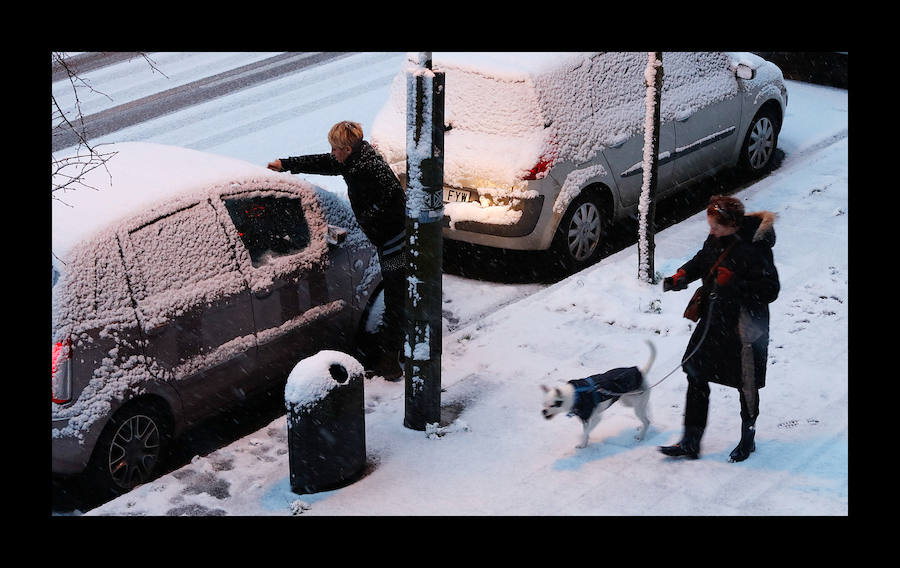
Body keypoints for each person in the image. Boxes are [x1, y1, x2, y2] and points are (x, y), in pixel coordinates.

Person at [268, 121, 406, 381]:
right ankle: (397, 353)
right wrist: (286, 164)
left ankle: (391, 361)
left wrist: (371, 221)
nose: (332, 153)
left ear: (348, 149)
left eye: (336, 149)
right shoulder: (355, 162)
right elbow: (324, 163)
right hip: (388, 239)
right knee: (397, 300)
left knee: (396, 302)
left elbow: (395, 201)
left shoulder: (370, 168)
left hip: (395, 242)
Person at [659, 195, 779, 462]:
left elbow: (771, 290)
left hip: (745, 327)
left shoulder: (756, 249)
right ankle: (690, 441)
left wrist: (734, 285)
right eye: (710, 224)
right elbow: (703, 259)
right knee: (695, 373)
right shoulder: (715, 238)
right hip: (714, 321)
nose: (710, 230)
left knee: (746, 385)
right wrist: (683, 275)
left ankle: (747, 439)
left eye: (716, 226)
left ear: (733, 225)